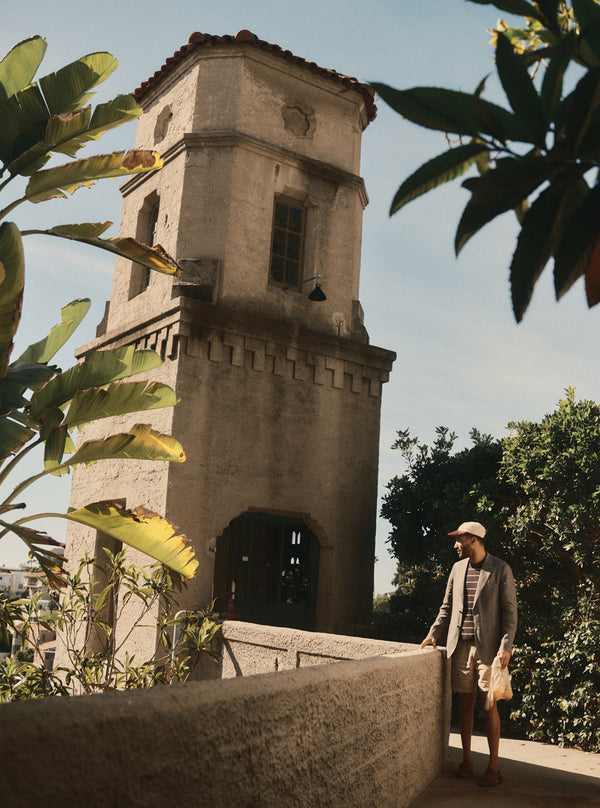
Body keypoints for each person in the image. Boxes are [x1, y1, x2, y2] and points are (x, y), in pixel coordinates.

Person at [420, 521, 517, 788]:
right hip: (460, 647)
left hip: (489, 650)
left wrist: (506, 646)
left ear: (473, 540)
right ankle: (467, 761)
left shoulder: (500, 569)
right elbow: (447, 607)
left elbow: (510, 613)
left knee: (489, 706)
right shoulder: (457, 568)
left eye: (459, 539)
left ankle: (494, 768)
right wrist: (433, 634)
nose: (455, 545)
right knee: (464, 707)